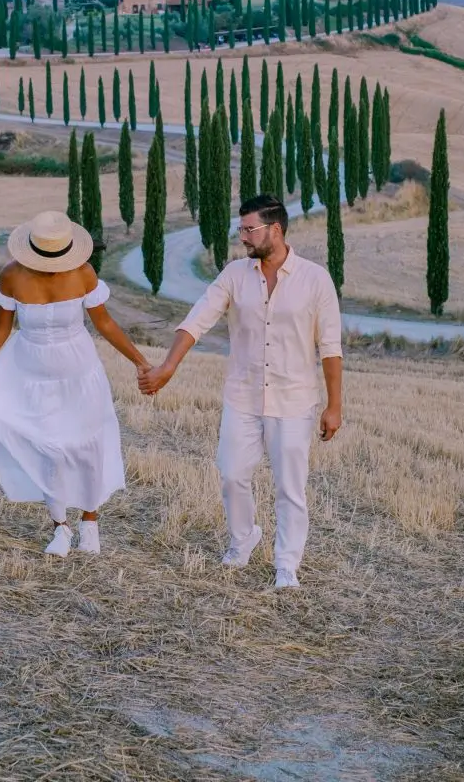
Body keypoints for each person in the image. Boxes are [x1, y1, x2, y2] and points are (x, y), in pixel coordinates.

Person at [139, 194, 343, 589]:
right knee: (232, 475)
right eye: (242, 229)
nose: (243, 236)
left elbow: (330, 347)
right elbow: (197, 320)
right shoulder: (234, 274)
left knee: (290, 488)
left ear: (276, 229)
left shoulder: (315, 279)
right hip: (243, 397)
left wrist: (334, 406)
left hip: (294, 400)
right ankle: (244, 538)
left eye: (250, 229)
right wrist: (167, 367)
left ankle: (286, 564)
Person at [0, 210, 150, 557]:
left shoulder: (84, 273)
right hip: (30, 375)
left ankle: (90, 521)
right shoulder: (11, 275)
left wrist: (139, 360)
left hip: (80, 372)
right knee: (48, 449)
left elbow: (104, 324)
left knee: (87, 447)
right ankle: (60, 526)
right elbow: (1, 328)